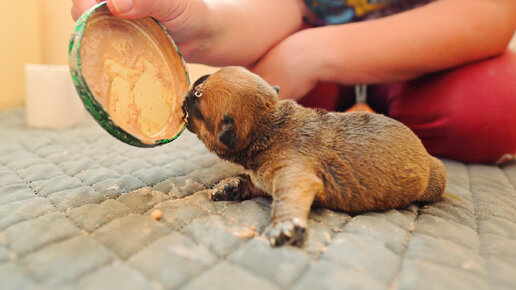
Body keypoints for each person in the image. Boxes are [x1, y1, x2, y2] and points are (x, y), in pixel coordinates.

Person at [72, 0, 516, 164]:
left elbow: (492, 14)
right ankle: (330, 95)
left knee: (497, 105)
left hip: (433, 53)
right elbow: (276, 8)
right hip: (305, 33)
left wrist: (311, 55)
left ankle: (363, 103)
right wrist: (202, 24)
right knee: (268, 87)